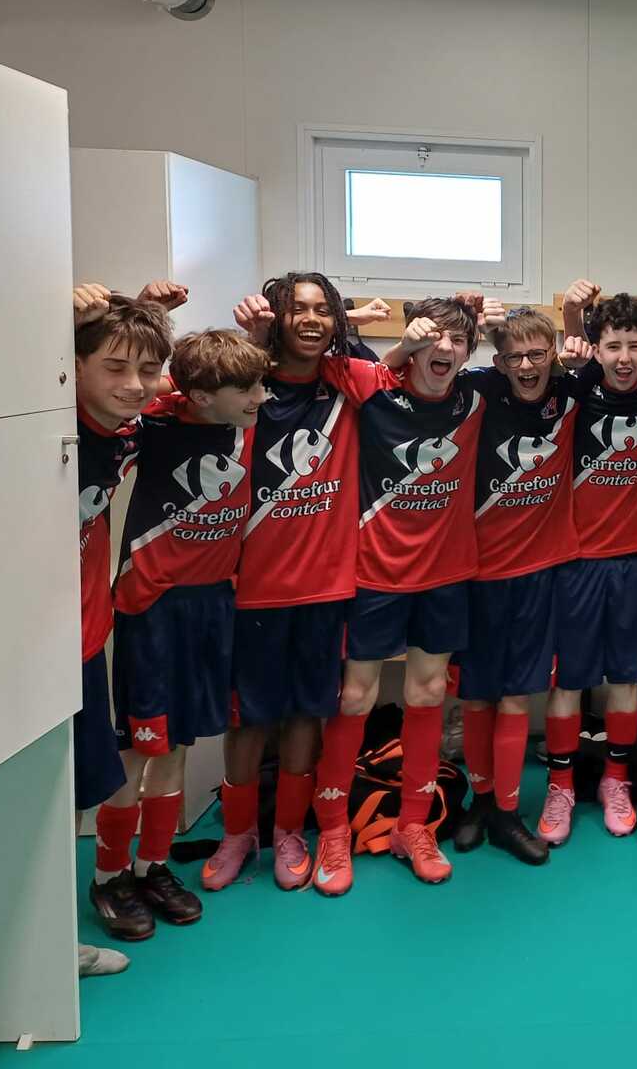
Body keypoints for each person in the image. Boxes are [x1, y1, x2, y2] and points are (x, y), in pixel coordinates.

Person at [89, 328, 268, 937]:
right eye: (245, 388)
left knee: (178, 747)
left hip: (213, 605)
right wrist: (169, 384)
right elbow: (134, 396)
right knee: (136, 748)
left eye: (259, 384)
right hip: (153, 609)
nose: (259, 397)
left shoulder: (247, 425)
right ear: (199, 395)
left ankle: (152, 866)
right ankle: (110, 876)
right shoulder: (155, 427)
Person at [308, 299, 490, 895]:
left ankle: (414, 825)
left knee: (429, 691)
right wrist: (384, 337)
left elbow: (542, 373)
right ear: (413, 343)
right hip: (375, 573)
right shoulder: (374, 386)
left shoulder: (475, 398)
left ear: (470, 351)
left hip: (445, 573)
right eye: (433, 338)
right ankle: (333, 829)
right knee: (355, 696)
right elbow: (317, 353)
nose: (445, 349)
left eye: (458, 341)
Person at [203, 274, 378, 891]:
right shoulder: (245, 388)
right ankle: (237, 834)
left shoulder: (346, 382)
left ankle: (287, 832)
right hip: (254, 587)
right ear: (276, 317)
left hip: (327, 587)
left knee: (307, 713)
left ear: (337, 321)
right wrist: (250, 342)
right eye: (297, 309)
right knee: (248, 719)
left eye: (322, 310)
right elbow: (186, 391)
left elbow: (407, 376)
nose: (310, 319)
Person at [545, 285, 637, 846]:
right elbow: (561, 359)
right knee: (570, 679)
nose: (625, 357)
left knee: (627, 677)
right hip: (577, 560)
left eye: (635, 345)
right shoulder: (575, 389)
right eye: (614, 346)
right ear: (598, 349)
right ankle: (561, 786)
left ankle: (616, 780)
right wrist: (570, 318)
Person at [70, 282, 180, 955]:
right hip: (17, 646)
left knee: (70, 795)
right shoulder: (46, 423)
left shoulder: (131, 430)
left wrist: (140, 314)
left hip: (84, 635)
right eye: (114, 368)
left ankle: (51, 942)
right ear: (72, 364)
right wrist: (62, 316)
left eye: (146, 369)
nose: (135, 385)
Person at [451, 305, 582, 865]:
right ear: (498, 360)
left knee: (515, 694)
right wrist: (466, 317)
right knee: (476, 693)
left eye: (536, 355)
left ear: (552, 354)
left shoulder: (573, 391)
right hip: (477, 573)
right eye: (513, 358)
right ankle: (480, 801)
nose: (526, 367)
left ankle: (506, 811)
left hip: (539, 573)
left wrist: (578, 321)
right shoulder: (478, 390)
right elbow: (424, 370)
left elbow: (626, 368)